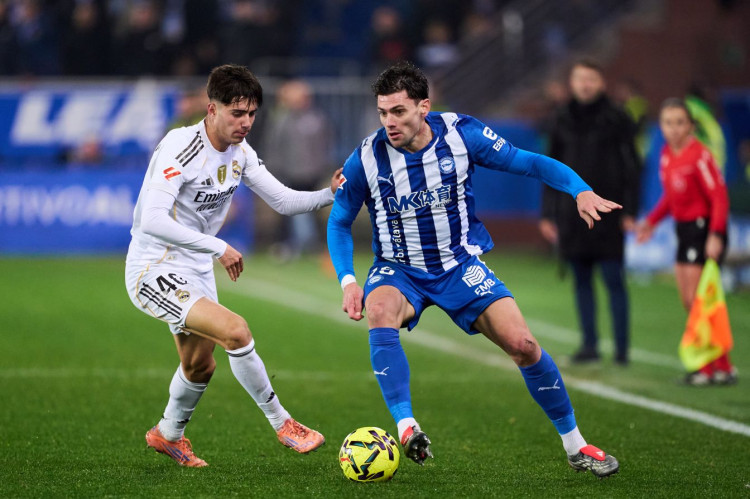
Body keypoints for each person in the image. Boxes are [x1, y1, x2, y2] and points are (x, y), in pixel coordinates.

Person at [327, 61, 621, 477]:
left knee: (524, 345)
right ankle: (407, 427)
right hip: (399, 269)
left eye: (398, 111)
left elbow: (530, 163)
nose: (389, 122)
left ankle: (576, 446)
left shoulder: (462, 134)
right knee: (378, 310)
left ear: (424, 107)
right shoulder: (366, 158)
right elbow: (339, 222)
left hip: (459, 266)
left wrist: (580, 190)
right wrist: (349, 281)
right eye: (382, 112)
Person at [125, 64, 342, 467]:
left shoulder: (241, 153)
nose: (246, 123)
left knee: (199, 365)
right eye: (237, 113)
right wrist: (218, 246)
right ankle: (283, 423)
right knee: (236, 331)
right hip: (154, 266)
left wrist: (329, 193)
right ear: (212, 109)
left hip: (195, 267)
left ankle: (168, 434)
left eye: (252, 114)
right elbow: (152, 219)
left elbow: (283, 200)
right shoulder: (181, 146)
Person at [539, 59, 641, 365]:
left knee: (613, 280)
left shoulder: (618, 117)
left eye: (591, 79)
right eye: (580, 79)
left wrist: (631, 211)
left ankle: (622, 350)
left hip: (610, 212)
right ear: (572, 83)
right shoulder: (560, 118)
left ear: (601, 83)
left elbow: (633, 167)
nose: (585, 85)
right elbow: (549, 168)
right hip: (572, 215)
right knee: (581, 281)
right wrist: (548, 214)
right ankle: (589, 345)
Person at [635, 98, 736, 385]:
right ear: (661, 126)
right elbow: (671, 197)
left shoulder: (699, 155)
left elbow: (719, 197)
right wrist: (651, 222)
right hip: (684, 230)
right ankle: (723, 366)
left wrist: (715, 235)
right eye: (668, 123)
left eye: (680, 123)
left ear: (691, 126)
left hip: (703, 229)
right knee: (690, 301)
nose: (674, 128)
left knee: (697, 300)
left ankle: (704, 368)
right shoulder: (667, 154)